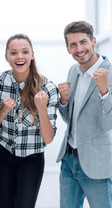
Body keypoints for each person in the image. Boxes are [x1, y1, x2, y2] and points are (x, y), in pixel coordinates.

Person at [0, 33, 58, 208]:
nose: (19, 56)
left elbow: (48, 139)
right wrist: (3, 110)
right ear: (6, 57)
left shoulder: (48, 87)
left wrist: (41, 108)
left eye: (25, 52)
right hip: (2, 154)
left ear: (32, 55)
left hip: (31, 158)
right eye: (13, 53)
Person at [57, 21, 112, 207]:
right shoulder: (73, 71)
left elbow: (107, 124)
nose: (79, 49)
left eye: (83, 42)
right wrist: (63, 101)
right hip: (68, 162)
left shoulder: (109, 74)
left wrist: (104, 91)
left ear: (93, 41)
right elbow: (70, 119)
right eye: (73, 44)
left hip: (96, 164)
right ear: (67, 48)